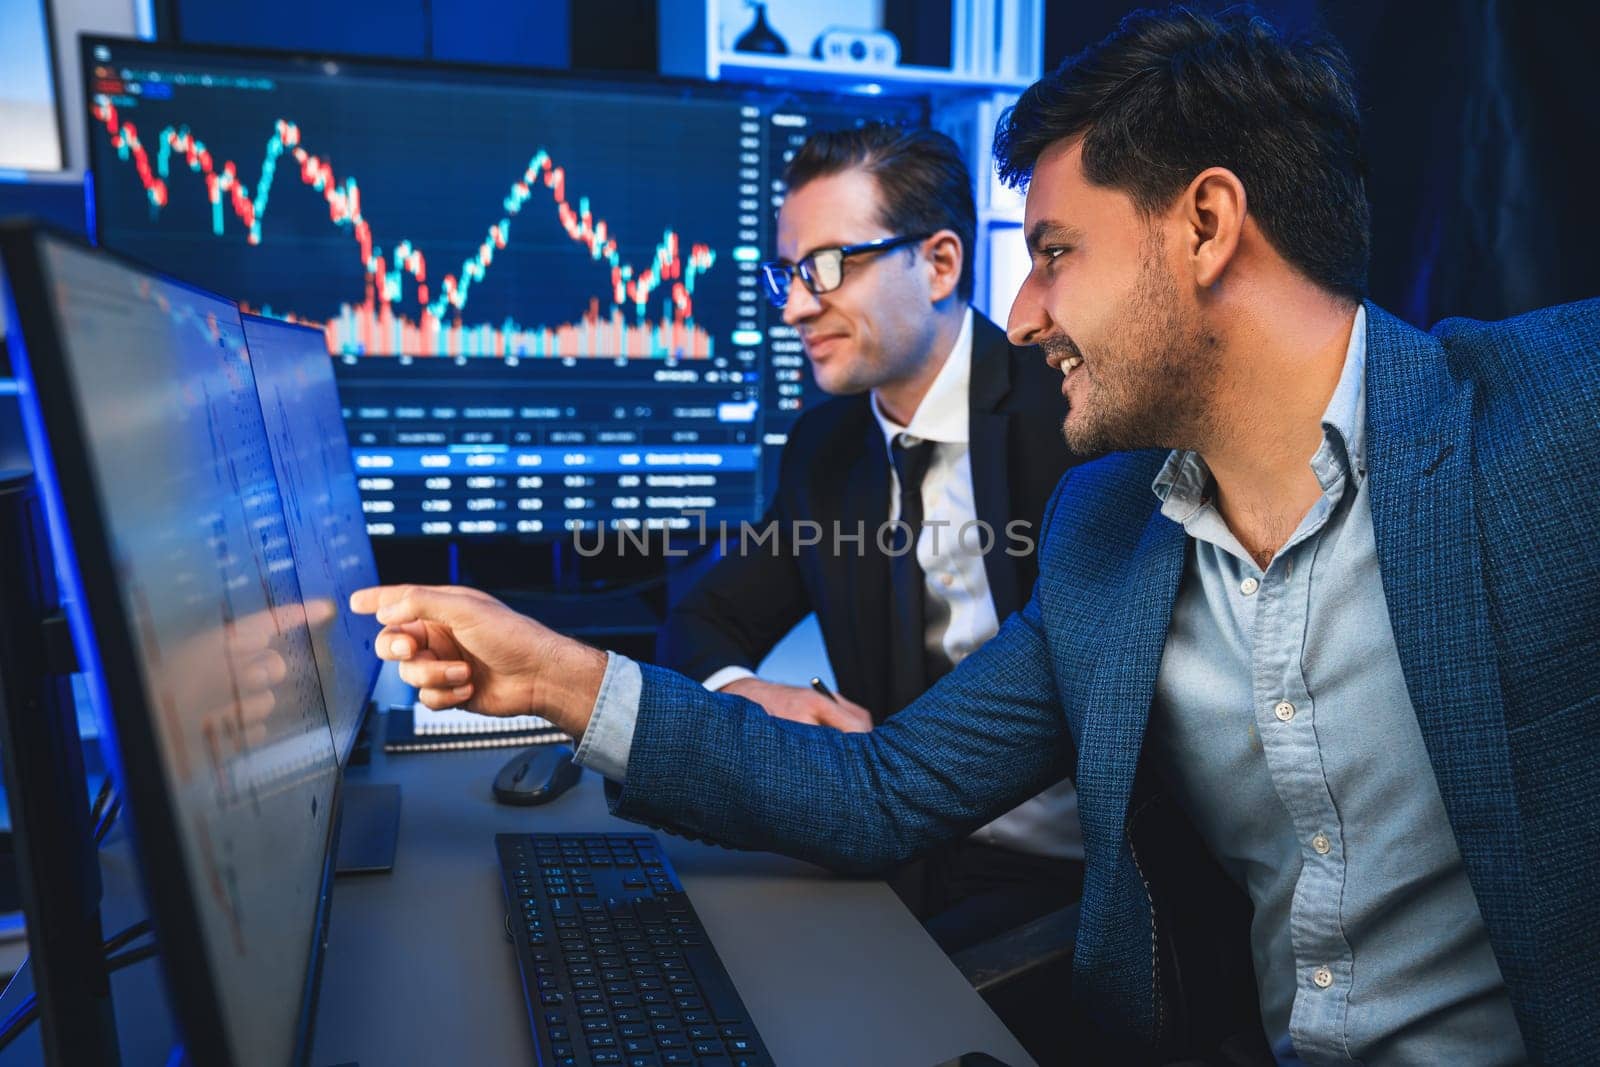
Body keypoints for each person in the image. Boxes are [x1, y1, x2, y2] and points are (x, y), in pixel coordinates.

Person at [352, 7, 1600, 1062]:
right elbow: (883, 790)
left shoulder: (1550, 423)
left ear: (1207, 226)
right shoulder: (1113, 533)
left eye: (1054, 253)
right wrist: (553, 674)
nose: (1025, 307)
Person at [656, 123, 1085, 952]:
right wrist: (750, 691)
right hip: (897, 857)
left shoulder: (1069, 418)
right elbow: (699, 622)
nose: (793, 306)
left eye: (825, 267)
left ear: (940, 263)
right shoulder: (826, 450)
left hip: (1072, 885)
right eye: (787, 273)